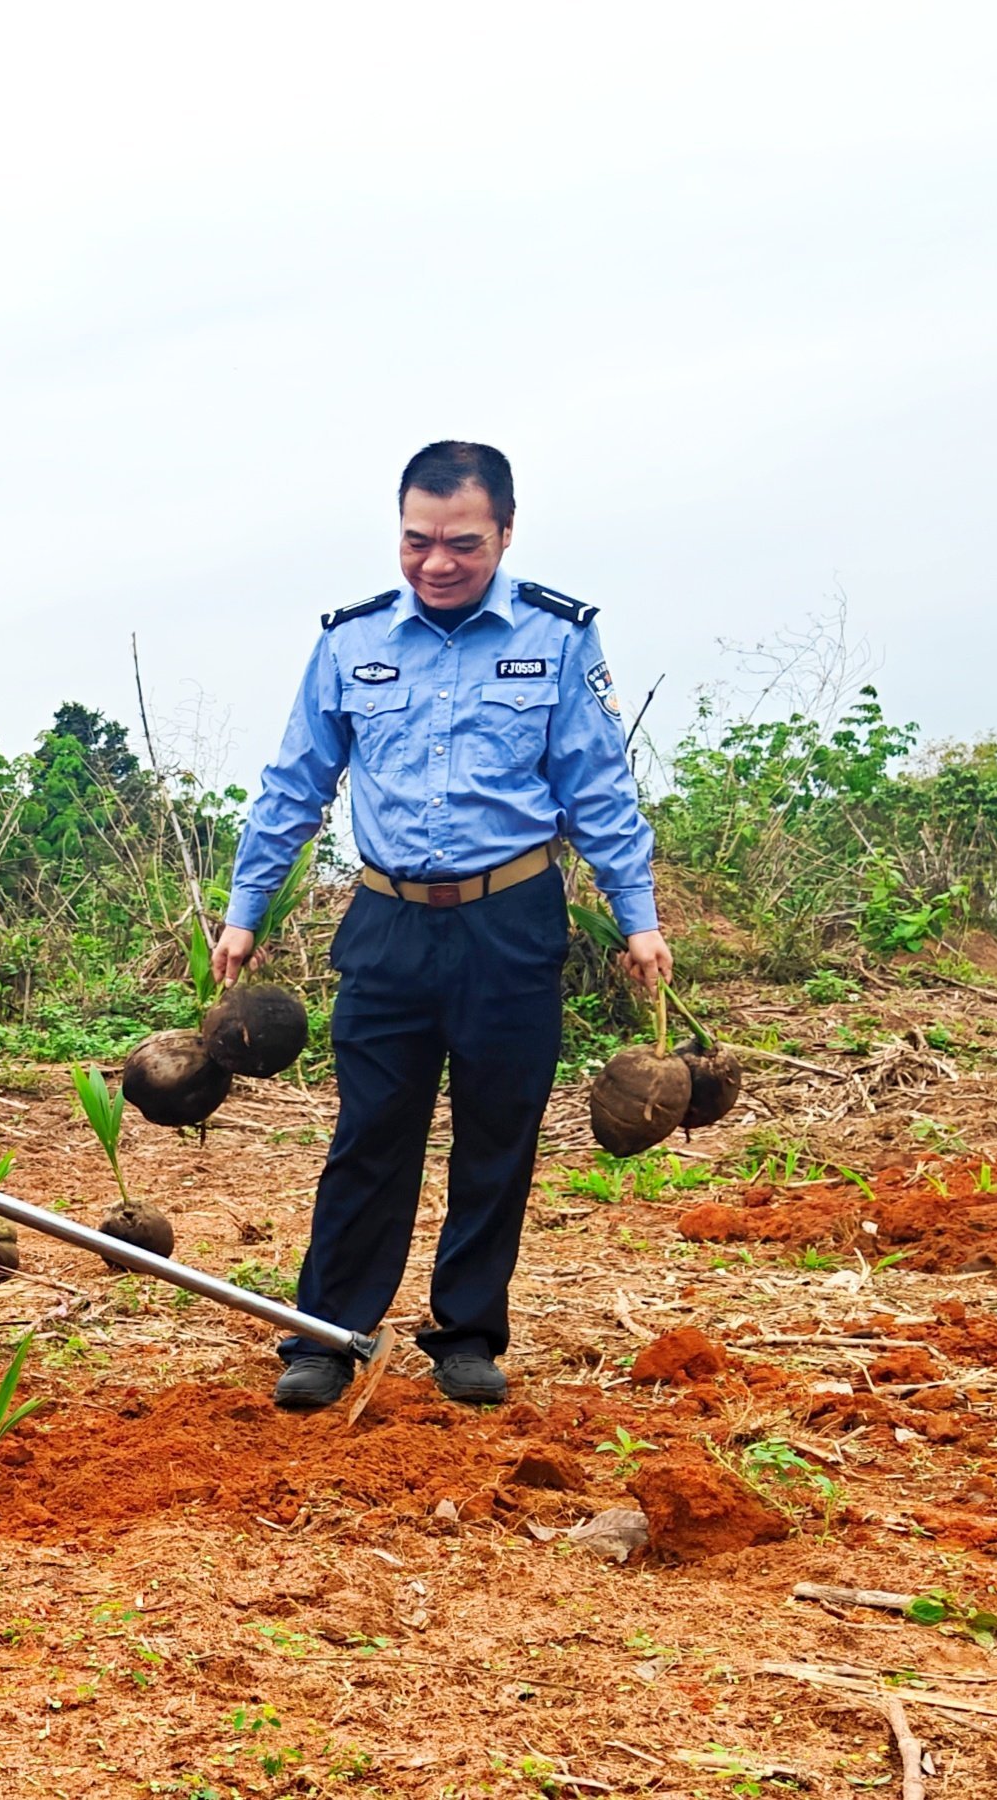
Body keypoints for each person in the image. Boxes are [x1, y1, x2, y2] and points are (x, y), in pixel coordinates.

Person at [212, 440, 672, 1411]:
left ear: (504, 532)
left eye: (461, 543)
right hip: (387, 921)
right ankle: (328, 1334)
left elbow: (596, 786)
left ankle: (466, 1332)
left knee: (497, 1132)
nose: (436, 562)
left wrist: (637, 918)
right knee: (369, 1133)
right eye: (416, 540)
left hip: (511, 918)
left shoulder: (557, 636)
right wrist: (245, 909)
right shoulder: (351, 642)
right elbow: (294, 783)